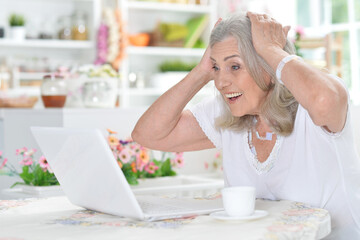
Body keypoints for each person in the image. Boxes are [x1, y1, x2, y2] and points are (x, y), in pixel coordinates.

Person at [132, 12, 360, 239]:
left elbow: (323, 101)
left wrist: (271, 49)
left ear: (268, 67)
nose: (221, 82)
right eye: (217, 68)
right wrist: (201, 72)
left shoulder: (314, 103)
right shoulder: (227, 110)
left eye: (234, 66)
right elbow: (147, 134)